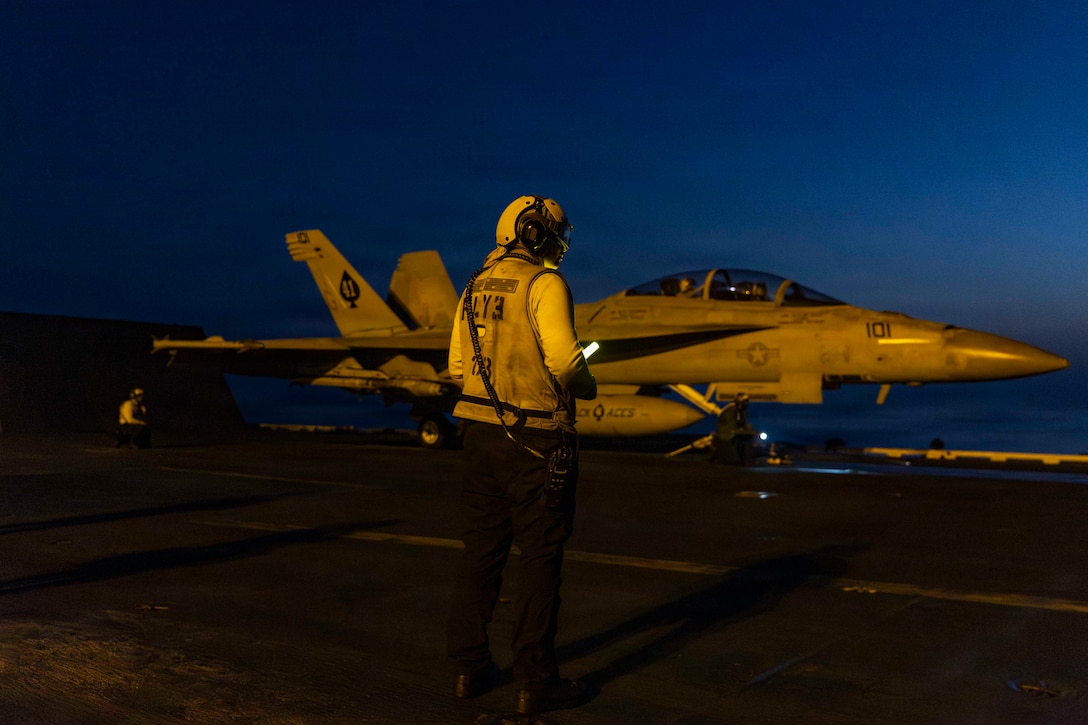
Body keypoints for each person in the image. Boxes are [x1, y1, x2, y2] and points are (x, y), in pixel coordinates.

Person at [446, 195, 597, 716]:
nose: (559, 240)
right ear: (534, 231)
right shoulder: (544, 283)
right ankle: (535, 680)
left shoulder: (473, 285)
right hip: (535, 442)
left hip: (479, 439)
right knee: (539, 559)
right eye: (555, 230)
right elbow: (562, 360)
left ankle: (468, 668)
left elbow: (454, 366)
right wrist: (588, 381)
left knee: (480, 554)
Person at [709, 393, 754, 464]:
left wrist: (750, 430)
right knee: (740, 441)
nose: (746, 404)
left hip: (731, 433)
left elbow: (743, 424)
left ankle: (742, 458)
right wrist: (738, 430)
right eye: (745, 401)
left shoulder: (740, 411)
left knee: (744, 440)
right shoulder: (731, 410)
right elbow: (730, 424)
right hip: (726, 434)